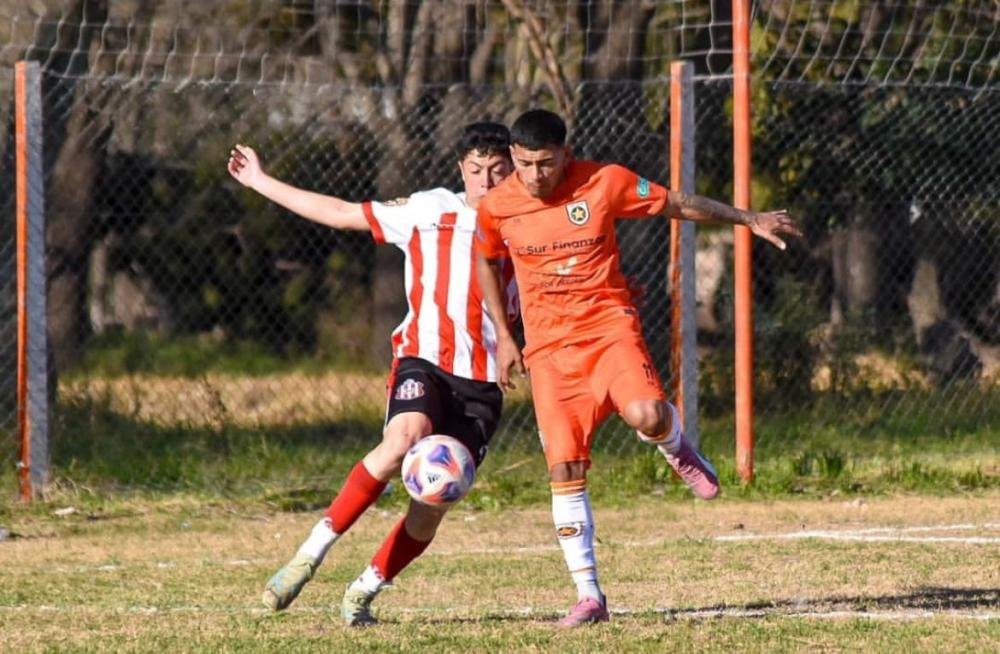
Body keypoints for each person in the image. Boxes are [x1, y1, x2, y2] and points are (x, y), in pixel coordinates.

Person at [475, 109, 802, 627]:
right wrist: (504, 337)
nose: (534, 175)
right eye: (523, 164)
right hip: (549, 352)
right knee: (564, 468)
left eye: (544, 163)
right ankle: (589, 596)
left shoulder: (605, 182)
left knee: (648, 415)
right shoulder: (497, 205)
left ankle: (676, 446)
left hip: (608, 329)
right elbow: (487, 262)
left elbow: (677, 204)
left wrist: (747, 218)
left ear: (566, 153)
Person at [227, 122, 517, 626]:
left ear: (514, 169)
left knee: (433, 498)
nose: (486, 183)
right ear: (460, 171)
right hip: (423, 359)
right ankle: (307, 556)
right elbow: (341, 214)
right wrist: (260, 181)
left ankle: (365, 588)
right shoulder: (430, 209)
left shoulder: (529, 222)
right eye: (476, 171)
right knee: (405, 437)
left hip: (483, 382)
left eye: (497, 171)